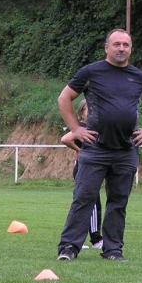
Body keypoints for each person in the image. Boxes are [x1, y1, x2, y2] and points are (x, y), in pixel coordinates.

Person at [56, 29, 142, 261]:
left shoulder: (139, 77)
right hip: (95, 148)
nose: (121, 48)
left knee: (118, 202)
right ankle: (69, 248)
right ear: (107, 47)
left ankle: (113, 250)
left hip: (126, 150)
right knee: (83, 198)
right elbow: (64, 98)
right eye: (116, 44)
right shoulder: (90, 72)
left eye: (126, 44)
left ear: (131, 49)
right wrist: (76, 129)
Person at [60, 99, 103, 250]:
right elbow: (65, 139)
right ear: (81, 113)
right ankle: (96, 239)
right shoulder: (82, 128)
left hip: (87, 169)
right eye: (88, 110)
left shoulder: (91, 127)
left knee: (85, 204)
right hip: (84, 169)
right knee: (91, 204)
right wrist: (80, 150)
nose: (92, 113)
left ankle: (77, 239)